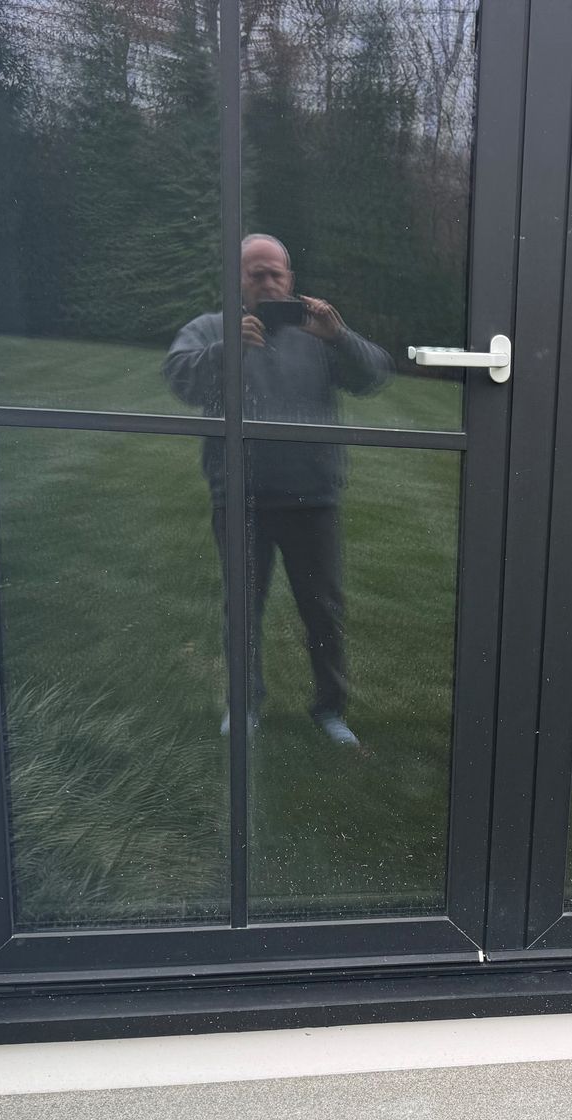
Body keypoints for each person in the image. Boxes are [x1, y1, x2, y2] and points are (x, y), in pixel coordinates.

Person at [164, 233, 391, 744]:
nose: (267, 282)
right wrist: (227, 350)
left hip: (313, 498)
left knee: (323, 610)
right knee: (241, 611)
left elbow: (375, 375)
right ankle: (245, 706)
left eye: (276, 273)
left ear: (290, 278)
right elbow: (178, 378)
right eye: (255, 273)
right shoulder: (212, 328)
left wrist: (339, 337)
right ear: (236, 279)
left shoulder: (318, 331)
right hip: (239, 497)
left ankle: (330, 710)